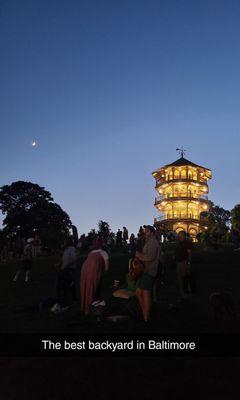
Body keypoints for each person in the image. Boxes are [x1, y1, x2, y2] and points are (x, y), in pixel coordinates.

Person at [135, 225, 160, 322]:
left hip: (149, 270)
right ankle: (144, 311)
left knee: (146, 293)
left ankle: (146, 316)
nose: (145, 233)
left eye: (147, 231)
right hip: (144, 270)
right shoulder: (148, 242)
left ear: (152, 233)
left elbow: (150, 257)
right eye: (145, 231)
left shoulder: (153, 242)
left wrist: (139, 256)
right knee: (138, 292)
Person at [80, 236, 109, 315]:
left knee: (87, 287)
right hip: (94, 270)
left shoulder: (91, 253)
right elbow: (106, 267)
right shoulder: (104, 253)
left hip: (84, 269)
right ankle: (93, 305)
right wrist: (103, 274)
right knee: (95, 287)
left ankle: (87, 306)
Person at [51, 237, 78, 313]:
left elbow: (73, 258)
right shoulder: (66, 249)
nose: (64, 243)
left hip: (69, 270)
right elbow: (64, 258)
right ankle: (69, 300)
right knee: (65, 285)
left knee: (69, 285)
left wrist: (65, 266)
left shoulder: (72, 248)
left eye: (65, 241)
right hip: (64, 269)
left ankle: (71, 300)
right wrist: (59, 264)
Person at [175, 231, 193, 300]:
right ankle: (181, 292)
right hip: (178, 262)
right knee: (179, 277)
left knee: (185, 277)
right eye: (178, 235)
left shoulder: (187, 243)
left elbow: (189, 253)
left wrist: (188, 262)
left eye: (180, 235)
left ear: (184, 236)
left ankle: (187, 292)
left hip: (184, 262)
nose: (179, 237)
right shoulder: (179, 243)